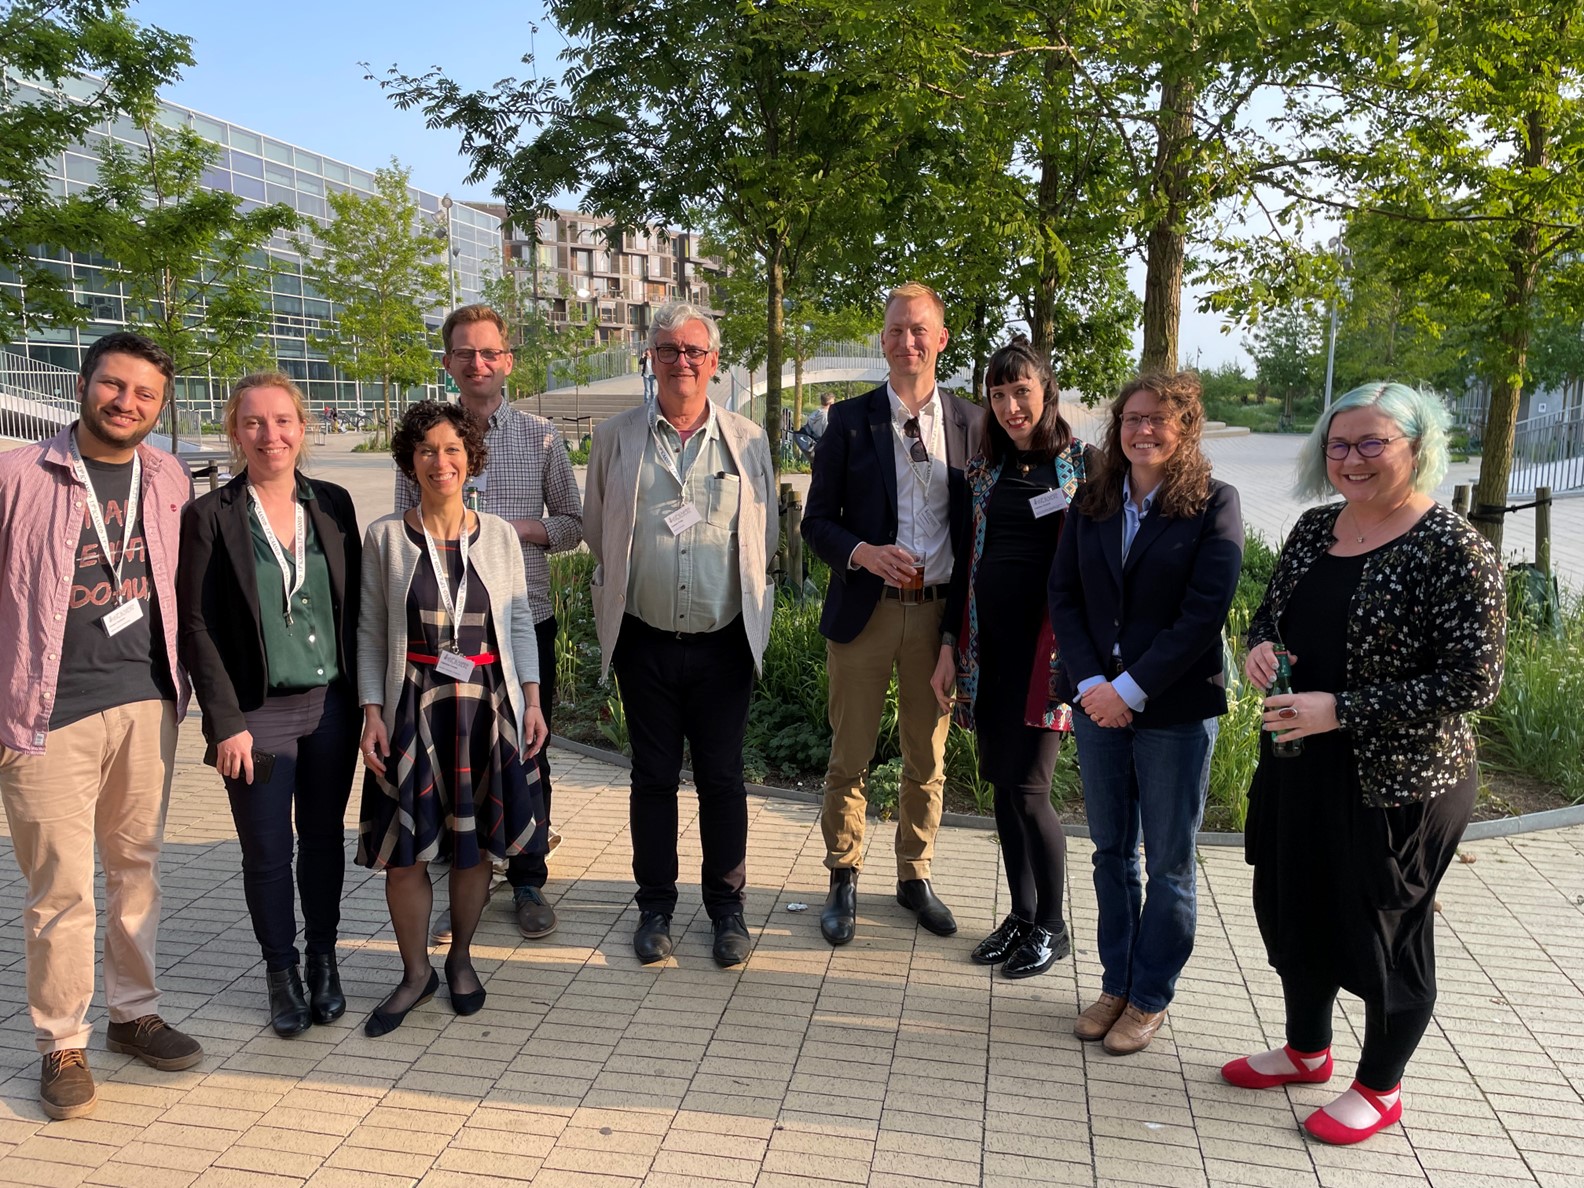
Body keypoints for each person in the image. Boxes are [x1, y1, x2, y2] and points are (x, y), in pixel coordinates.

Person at [1221, 382, 1505, 1145]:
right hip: (1297, 763)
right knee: (1292, 904)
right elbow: (1270, 612)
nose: (1352, 459)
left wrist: (1340, 708)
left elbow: (1474, 679)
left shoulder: (1452, 548)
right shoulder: (1317, 529)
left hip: (1398, 782)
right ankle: (1306, 1050)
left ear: (1418, 447)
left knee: (1385, 930)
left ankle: (1380, 1087)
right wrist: (1258, 649)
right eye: (1339, 445)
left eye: (1373, 443)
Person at [0, 331, 202, 1120]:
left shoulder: (168, 476)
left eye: (145, 394)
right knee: (60, 889)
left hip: (148, 703)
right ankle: (61, 1042)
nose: (127, 403)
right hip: (46, 714)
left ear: (160, 406)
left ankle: (132, 1014)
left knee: (136, 869)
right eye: (114, 386)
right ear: (84, 385)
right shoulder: (20, 472)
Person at [1048, 370, 1243, 1055]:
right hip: (1099, 704)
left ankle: (1151, 994)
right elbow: (1065, 597)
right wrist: (1096, 682)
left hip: (1174, 710)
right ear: (1117, 427)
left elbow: (1201, 615)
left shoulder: (1215, 504)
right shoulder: (1093, 501)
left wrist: (1130, 689)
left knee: (1167, 863)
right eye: (1132, 418)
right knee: (1109, 854)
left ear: (1186, 427)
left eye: (1159, 419)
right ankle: (1116, 982)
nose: (1143, 430)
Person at [584, 301, 777, 968]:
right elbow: (595, 528)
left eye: (694, 350)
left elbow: (763, 539)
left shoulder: (749, 441)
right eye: (668, 350)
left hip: (724, 641)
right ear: (651, 359)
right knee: (653, 780)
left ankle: (727, 912)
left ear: (715, 362)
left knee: (723, 780)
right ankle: (655, 908)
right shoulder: (613, 439)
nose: (682, 361)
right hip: (645, 640)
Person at [178, 372, 361, 1037]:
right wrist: (222, 721)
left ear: (302, 428)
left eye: (283, 421)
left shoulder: (334, 505)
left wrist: (369, 706)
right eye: (254, 422)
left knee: (321, 842)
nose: (270, 434)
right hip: (255, 715)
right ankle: (279, 971)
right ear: (234, 431)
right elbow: (194, 624)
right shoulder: (210, 515)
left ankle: (323, 962)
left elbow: (358, 612)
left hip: (331, 708)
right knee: (265, 851)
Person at [357, 401, 549, 1035]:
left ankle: (461, 958)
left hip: (483, 702)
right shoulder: (386, 536)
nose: (440, 462)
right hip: (413, 698)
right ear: (409, 462)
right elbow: (368, 631)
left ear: (472, 459)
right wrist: (372, 711)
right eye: (426, 451)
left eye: (452, 450)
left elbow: (519, 618)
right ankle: (415, 974)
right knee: (406, 854)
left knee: (472, 848)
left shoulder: (496, 534)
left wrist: (533, 696)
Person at [802, 281, 984, 946]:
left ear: (939, 340)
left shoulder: (973, 423)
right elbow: (815, 524)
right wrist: (861, 553)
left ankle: (914, 876)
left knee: (925, 759)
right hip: (865, 614)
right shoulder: (848, 422)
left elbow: (979, 532)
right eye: (896, 330)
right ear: (882, 340)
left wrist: (958, 635)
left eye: (920, 330)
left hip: (935, 620)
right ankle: (842, 875)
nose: (907, 341)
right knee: (848, 754)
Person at [399, 305, 581, 946]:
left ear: (507, 360)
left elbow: (573, 524)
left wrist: (516, 533)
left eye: (489, 353)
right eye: (464, 353)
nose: (477, 364)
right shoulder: (425, 435)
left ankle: (529, 875)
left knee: (529, 751)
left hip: (522, 621)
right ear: (448, 361)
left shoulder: (541, 438)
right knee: (456, 760)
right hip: (445, 638)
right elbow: (404, 529)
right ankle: (464, 877)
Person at [930, 337, 1090, 978]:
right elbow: (964, 564)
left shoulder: (1083, 467)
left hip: (1046, 661)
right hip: (986, 653)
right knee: (1001, 788)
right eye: (997, 394)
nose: (1009, 405)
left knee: (1030, 792)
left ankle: (1053, 926)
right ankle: (1021, 915)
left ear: (1045, 391)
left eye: (1020, 391)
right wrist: (948, 646)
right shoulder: (983, 472)